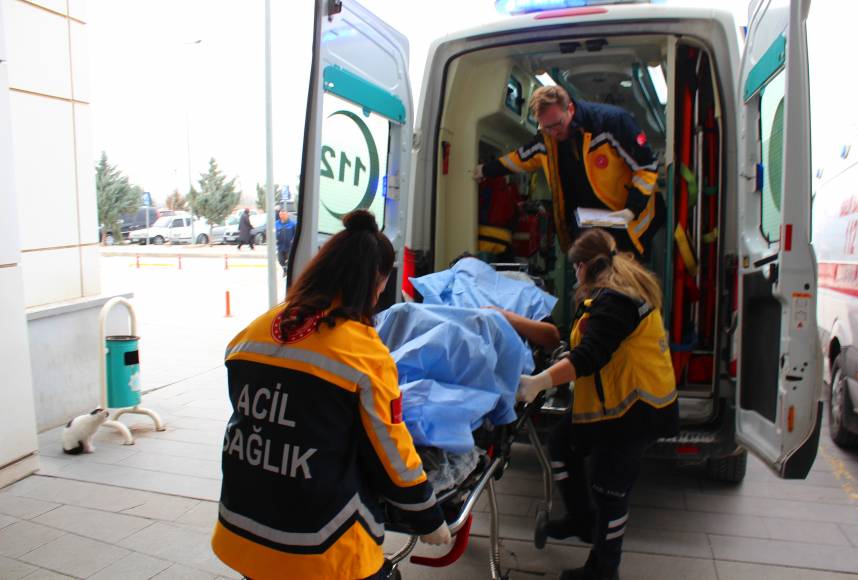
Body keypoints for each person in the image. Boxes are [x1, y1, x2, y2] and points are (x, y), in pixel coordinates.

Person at [212, 210, 450, 580]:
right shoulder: (364, 353)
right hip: (318, 544)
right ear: (377, 281)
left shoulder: (252, 332)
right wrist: (427, 516)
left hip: (240, 530)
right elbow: (391, 452)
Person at [516, 228, 678, 580]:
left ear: (586, 265)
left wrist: (538, 383)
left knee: (610, 488)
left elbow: (591, 355)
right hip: (616, 405)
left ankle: (604, 569)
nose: (575, 274)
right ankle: (580, 520)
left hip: (636, 410)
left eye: (575, 268)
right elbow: (588, 345)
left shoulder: (617, 299)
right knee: (562, 442)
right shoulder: (609, 294)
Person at [473, 85, 663, 257]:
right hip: (587, 225)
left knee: (627, 280)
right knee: (592, 280)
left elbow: (646, 167)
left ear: (570, 109)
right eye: (547, 128)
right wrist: (483, 170)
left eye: (557, 124)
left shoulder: (611, 123)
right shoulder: (547, 140)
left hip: (629, 221)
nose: (554, 133)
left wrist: (631, 210)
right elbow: (519, 159)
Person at [276, 209, 296, 276]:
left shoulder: (292, 224)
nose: (282, 216)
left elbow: (295, 234)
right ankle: (285, 270)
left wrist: (293, 240)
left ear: (287, 215)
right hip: (280, 246)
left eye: (284, 214)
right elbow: (273, 233)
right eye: (281, 215)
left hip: (289, 246)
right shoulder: (276, 223)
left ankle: (288, 271)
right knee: (280, 260)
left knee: (290, 259)